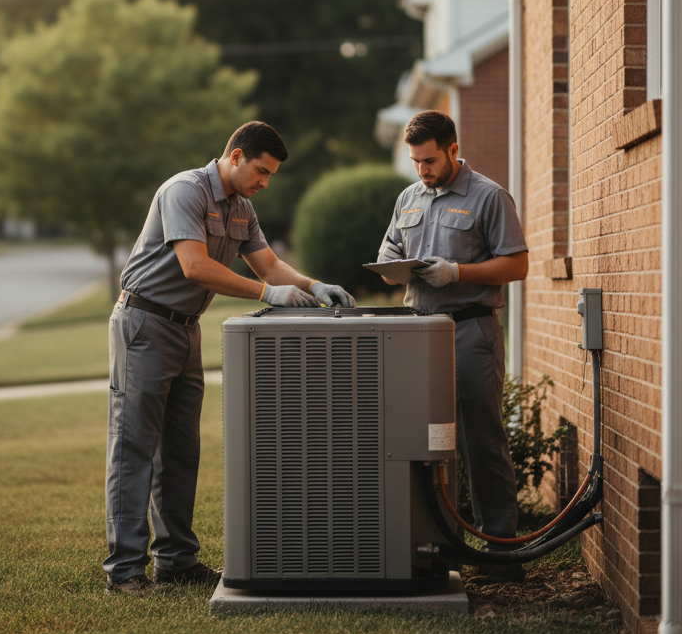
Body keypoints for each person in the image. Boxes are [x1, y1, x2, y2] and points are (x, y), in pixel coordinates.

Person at [104, 120, 356, 596]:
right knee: (134, 446)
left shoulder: (242, 208)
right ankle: (124, 572)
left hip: (186, 329)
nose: (265, 182)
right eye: (261, 171)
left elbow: (270, 264)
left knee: (181, 451)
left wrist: (311, 286)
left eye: (271, 175)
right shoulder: (185, 190)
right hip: (144, 323)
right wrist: (267, 294)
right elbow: (194, 266)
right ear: (236, 156)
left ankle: (176, 561)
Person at [376, 110, 528, 583]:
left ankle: (499, 552)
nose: (422, 170)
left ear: (453, 150)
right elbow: (388, 251)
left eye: (429, 160)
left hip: (469, 332)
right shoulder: (408, 197)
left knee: (479, 440)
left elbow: (517, 265)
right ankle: (436, 545)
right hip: (416, 333)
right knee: (419, 441)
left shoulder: (489, 196)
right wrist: (390, 265)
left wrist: (457, 272)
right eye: (416, 162)